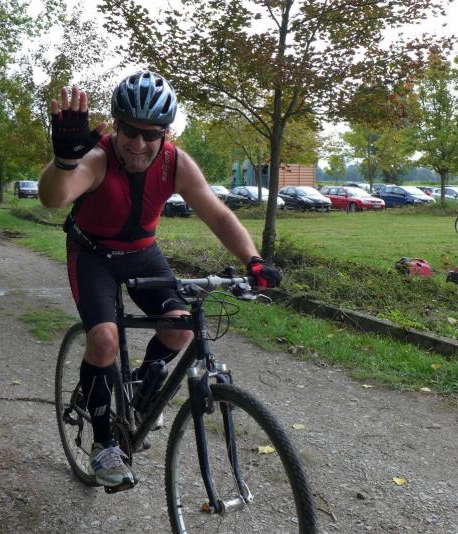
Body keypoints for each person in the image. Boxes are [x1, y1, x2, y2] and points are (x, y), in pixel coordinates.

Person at [38, 71, 282, 488]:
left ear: (165, 133)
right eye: (130, 131)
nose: (139, 143)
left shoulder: (175, 162)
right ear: (116, 126)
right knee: (105, 340)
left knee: (179, 328)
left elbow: (217, 214)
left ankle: (139, 395)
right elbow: (53, 197)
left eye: (151, 134)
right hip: (93, 255)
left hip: (142, 253)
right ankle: (103, 444)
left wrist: (253, 260)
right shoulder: (97, 158)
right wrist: (63, 162)